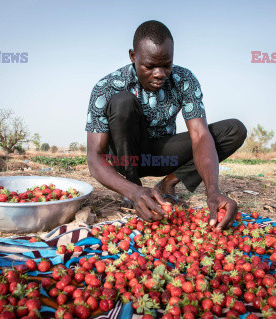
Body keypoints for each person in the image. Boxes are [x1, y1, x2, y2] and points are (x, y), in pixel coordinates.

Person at [85, 20, 247, 229]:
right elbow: (94, 158)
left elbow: (199, 135)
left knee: (234, 130)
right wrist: (133, 192)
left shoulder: (184, 80)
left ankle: (168, 183)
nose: (160, 73)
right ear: (133, 56)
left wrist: (213, 190)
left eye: (166, 65)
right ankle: (136, 187)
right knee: (122, 102)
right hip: (125, 158)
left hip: (162, 155)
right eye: (150, 66)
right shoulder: (106, 87)